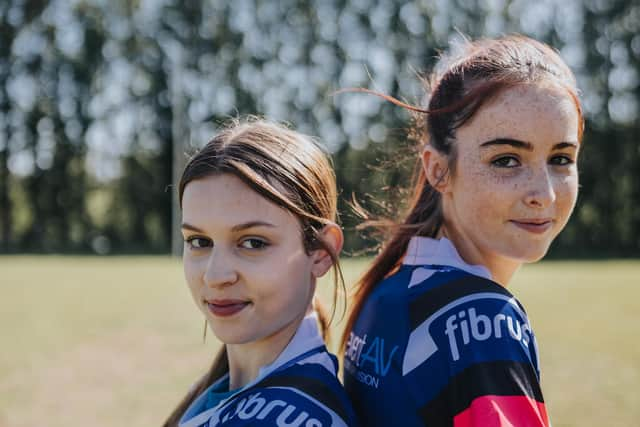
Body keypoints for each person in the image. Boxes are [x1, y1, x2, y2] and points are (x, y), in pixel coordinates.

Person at [341, 35, 584, 427]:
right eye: (506, 160)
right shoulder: (481, 321)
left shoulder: (389, 291)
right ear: (438, 169)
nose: (544, 192)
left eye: (560, 158)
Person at [163, 119, 358, 427]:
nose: (215, 276)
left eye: (253, 243)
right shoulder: (217, 389)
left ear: (321, 252)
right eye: (199, 241)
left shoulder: (296, 415)